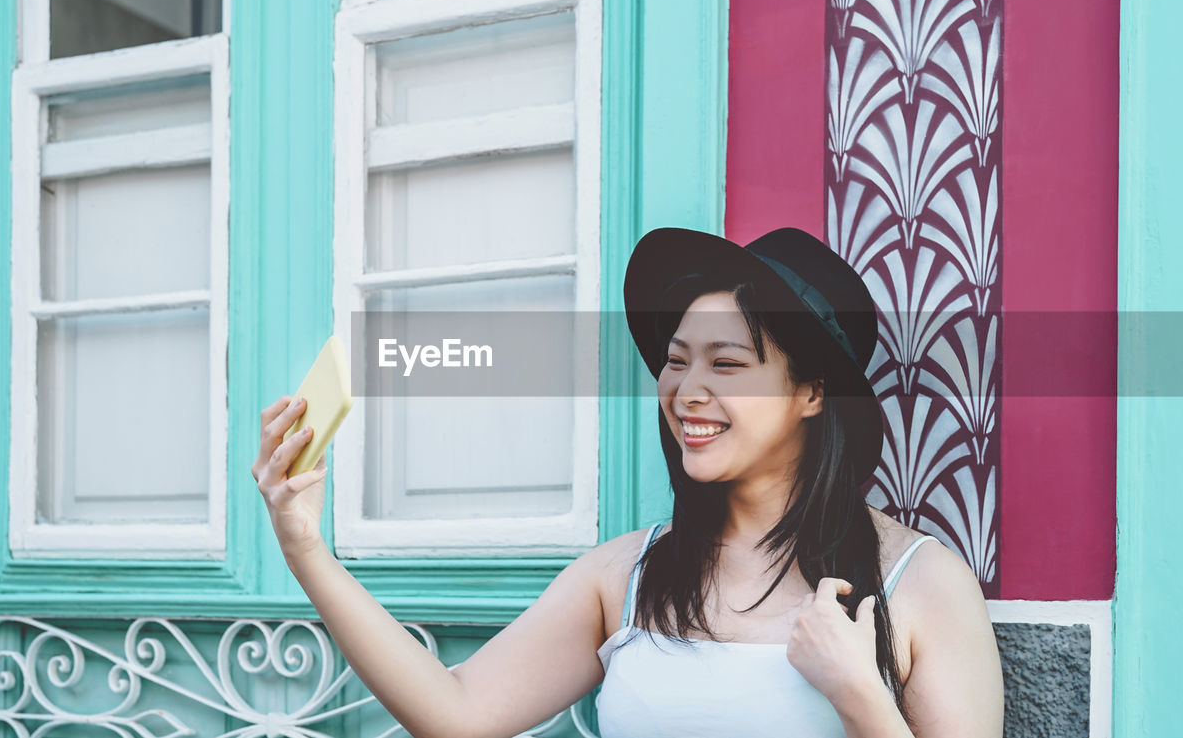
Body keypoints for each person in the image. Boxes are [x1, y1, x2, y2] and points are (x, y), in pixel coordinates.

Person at [251, 226, 1005, 738]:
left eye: (728, 364)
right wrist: (306, 547)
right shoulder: (628, 574)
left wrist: (863, 696)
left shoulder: (919, 583)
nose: (687, 389)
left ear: (811, 393)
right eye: (677, 360)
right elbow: (455, 712)